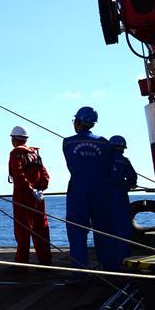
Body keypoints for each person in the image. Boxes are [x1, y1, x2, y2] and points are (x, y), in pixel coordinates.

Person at [63, 106, 115, 277]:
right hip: (101, 191)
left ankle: (79, 273)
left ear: (78, 121)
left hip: (78, 192)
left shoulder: (68, 143)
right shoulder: (104, 143)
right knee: (104, 231)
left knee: (77, 232)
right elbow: (109, 167)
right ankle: (109, 270)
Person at [8, 125, 52, 267]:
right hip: (38, 198)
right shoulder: (35, 154)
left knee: (22, 230)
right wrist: (40, 189)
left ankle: (22, 264)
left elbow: (18, 175)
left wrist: (30, 190)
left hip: (23, 197)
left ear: (14, 139)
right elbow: (45, 174)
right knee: (41, 228)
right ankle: (45, 262)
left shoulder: (16, 154)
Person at [108, 135, 137, 270]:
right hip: (120, 198)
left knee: (106, 229)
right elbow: (132, 178)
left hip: (103, 199)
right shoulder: (124, 161)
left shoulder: (102, 160)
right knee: (123, 229)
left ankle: (109, 262)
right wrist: (126, 185)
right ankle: (124, 259)